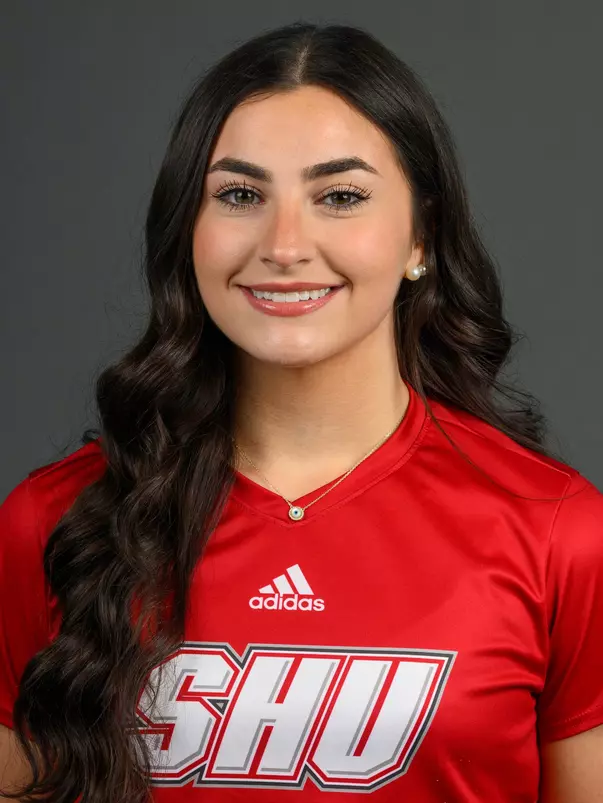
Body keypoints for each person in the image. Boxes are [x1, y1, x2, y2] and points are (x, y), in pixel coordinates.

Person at [0, 19, 601, 803]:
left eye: (340, 196)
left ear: (421, 235)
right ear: (189, 230)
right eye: (240, 195)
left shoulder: (559, 531)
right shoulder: (53, 520)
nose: (284, 243)